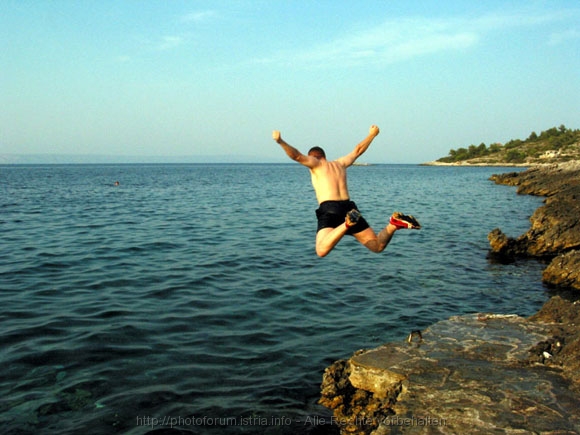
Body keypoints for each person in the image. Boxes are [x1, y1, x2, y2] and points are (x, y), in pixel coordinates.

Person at [272, 125, 420, 257]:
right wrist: (372, 135)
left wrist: (280, 142)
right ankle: (393, 225)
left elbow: (296, 155)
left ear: (312, 156)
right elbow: (358, 150)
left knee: (321, 251)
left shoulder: (315, 164)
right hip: (349, 207)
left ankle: (347, 224)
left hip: (330, 209)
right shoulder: (340, 164)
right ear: (325, 156)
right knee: (376, 246)